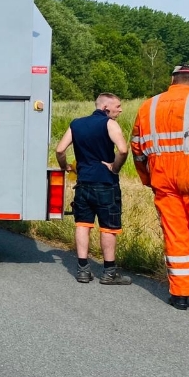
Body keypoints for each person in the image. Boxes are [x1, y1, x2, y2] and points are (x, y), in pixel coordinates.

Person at [130, 64, 189, 311]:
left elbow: (137, 149)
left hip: (162, 176)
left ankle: (180, 295)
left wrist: (147, 179)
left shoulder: (148, 106)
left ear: (172, 80)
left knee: (175, 234)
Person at [55, 92, 132, 285]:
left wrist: (64, 166)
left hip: (83, 183)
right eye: (118, 106)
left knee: (83, 225)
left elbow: (60, 150)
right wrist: (115, 167)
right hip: (106, 183)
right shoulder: (109, 124)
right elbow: (123, 150)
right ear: (106, 108)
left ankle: (82, 270)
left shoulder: (76, 124)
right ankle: (109, 273)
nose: (120, 110)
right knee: (108, 227)